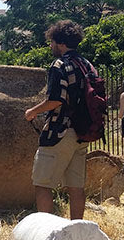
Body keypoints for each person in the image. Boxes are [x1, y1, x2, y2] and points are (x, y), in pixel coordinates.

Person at [25, 20, 92, 219]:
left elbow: (55, 100)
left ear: (61, 42)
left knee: (43, 184)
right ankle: (77, 229)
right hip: (83, 132)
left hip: (60, 131)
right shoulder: (87, 65)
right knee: (76, 187)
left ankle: (47, 231)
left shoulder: (60, 65)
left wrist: (33, 111)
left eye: (53, 42)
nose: (51, 46)